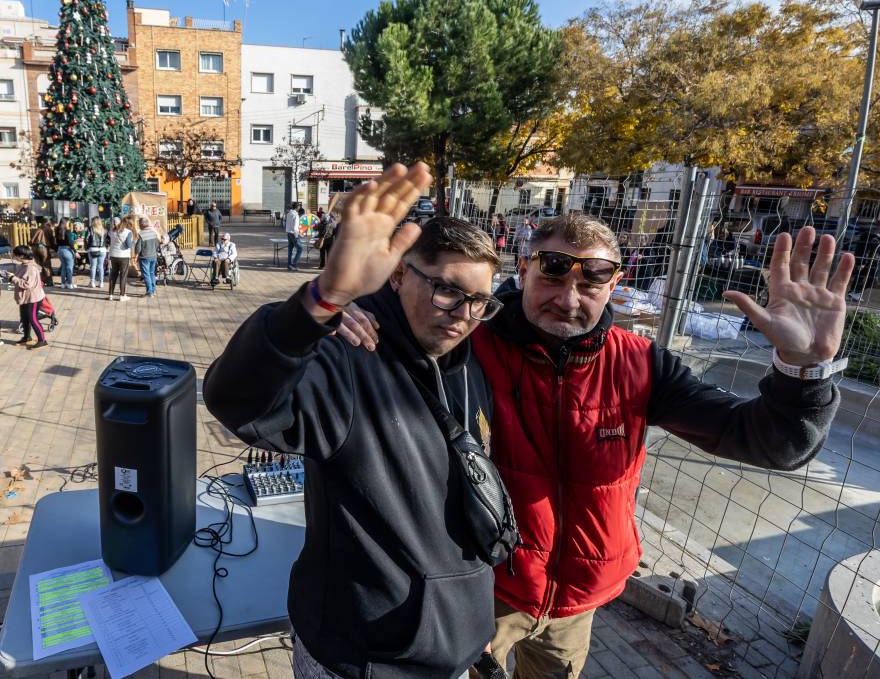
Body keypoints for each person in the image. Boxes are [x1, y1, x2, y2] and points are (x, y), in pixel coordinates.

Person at [336, 209, 851, 678]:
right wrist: (351, 312)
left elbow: (774, 444)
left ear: (617, 285)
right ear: (523, 265)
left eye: (592, 281)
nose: (567, 299)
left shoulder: (642, 364)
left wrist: (802, 371)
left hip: (578, 603)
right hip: (479, 591)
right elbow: (387, 334)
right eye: (553, 272)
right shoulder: (465, 341)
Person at [204, 163, 507, 679]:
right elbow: (237, 399)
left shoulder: (469, 359)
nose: (462, 313)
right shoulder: (347, 355)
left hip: (454, 641)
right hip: (365, 656)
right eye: (448, 291)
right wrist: (322, 302)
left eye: (478, 301)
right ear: (398, 275)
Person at [10, 245, 48, 349]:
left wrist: (13, 278)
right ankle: (26, 337)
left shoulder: (31, 268)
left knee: (33, 319)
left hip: (33, 298)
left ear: (22, 255)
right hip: (24, 298)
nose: (14, 256)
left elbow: (28, 284)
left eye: (15, 255)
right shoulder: (23, 265)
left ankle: (42, 340)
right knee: (24, 318)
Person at [107, 216, 134, 301]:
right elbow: (129, 245)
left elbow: (108, 241)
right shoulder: (128, 232)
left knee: (113, 275)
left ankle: (110, 295)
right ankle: (122, 295)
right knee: (123, 276)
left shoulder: (111, 232)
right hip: (123, 256)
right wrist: (133, 242)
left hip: (113, 255)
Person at [136, 218, 160, 298]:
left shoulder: (141, 234)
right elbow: (157, 244)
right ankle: (153, 290)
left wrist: (136, 254)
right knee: (152, 273)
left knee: (146, 274)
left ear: (141, 225)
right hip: (153, 256)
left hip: (144, 257)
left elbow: (138, 248)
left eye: (139, 224)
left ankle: (149, 292)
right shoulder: (153, 233)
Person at [30, 217, 55, 287]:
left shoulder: (37, 228)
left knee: (38, 265)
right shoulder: (48, 229)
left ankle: (40, 281)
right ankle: (49, 282)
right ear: (48, 222)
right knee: (46, 265)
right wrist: (55, 248)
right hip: (43, 248)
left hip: (34, 247)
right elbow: (52, 240)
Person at [86, 217, 108, 289]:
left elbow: (86, 238)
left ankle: (92, 282)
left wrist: (87, 247)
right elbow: (107, 240)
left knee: (93, 266)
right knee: (101, 266)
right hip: (102, 249)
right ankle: (101, 283)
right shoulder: (104, 230)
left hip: (93, 249)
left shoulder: (90, 229)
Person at [56, 218, 76, 289]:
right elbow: (70, 242)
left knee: (63, 267)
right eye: (68, 222)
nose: (69, 224)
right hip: (67, 250)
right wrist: (75, 251)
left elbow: (56, 242)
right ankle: (70, 283)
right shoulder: (67, 231)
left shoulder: (57, 231)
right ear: (65, 223)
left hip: (60, 250)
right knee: (69, 268)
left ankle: (63, 284)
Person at [285, 201, 304, 271]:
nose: (299, 208)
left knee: (290, 250)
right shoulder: (296, 215)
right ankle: (294, 264)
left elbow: (286, 224)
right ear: (297, 207)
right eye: (299, 206)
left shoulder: (289, 214)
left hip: (289, 233)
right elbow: (295, 227)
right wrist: (298, 235)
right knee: (300, 249)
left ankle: (289, 264)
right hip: (293, 234)